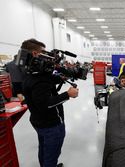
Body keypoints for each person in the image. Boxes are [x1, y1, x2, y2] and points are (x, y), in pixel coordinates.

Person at [21, 39, 79, 167]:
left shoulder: (30, 73)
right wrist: (68, 94)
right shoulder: (40, 79)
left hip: (38, 121)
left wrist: (61, 75)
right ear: (35, 54)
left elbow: (47, 82)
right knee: (51, 155)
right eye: (43, 52)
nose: (47, 55)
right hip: (51, 125)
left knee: (44, 149)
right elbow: (46, 104)